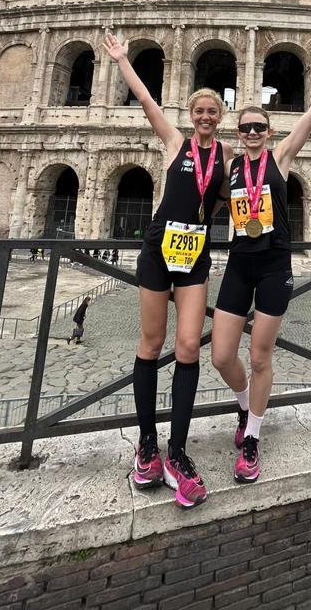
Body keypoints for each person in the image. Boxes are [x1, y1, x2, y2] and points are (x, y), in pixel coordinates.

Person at [211, 56, 311, 484]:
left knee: (260, 356)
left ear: (270, 132)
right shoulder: (230, 167)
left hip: (275, 264)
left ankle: (252, 439)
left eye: (259, 127)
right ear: (238, 133)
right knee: (222, 355)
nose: (253, 133)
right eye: (245, 128)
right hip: (240, 263)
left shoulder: (280, 158)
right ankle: (244, 405)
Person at [102, 31, 233, 508]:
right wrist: (121, 60)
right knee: (151, 343)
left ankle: (178, 451)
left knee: (186, 348)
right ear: (191, 116)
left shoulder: (226, 159)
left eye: (212, 112)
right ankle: (147, 446)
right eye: (198, 110)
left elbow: (227, 202)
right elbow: (144, 98)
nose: (204, 116)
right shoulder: (174, 142)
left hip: (195, 251)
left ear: (221, 117)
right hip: (159, 245)